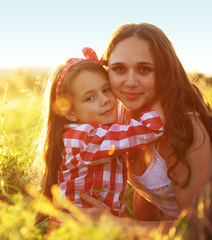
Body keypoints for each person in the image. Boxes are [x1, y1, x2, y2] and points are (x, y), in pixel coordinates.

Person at [81, 23, 212, 229]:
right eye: (119, 69)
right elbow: (147, 195)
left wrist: (115, 225)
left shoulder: (186, 129)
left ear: (164, 72)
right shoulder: (120, 114)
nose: (130, 82)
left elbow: (198, 230)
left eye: (144, 69)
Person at [35, 47, 165, 225]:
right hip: (76, 232)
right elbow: (149, 129)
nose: (104, 99)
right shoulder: (86, 139)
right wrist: (162, 99)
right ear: (70, 113)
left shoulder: (98, 129)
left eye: (106, 90)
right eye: (90, 98)